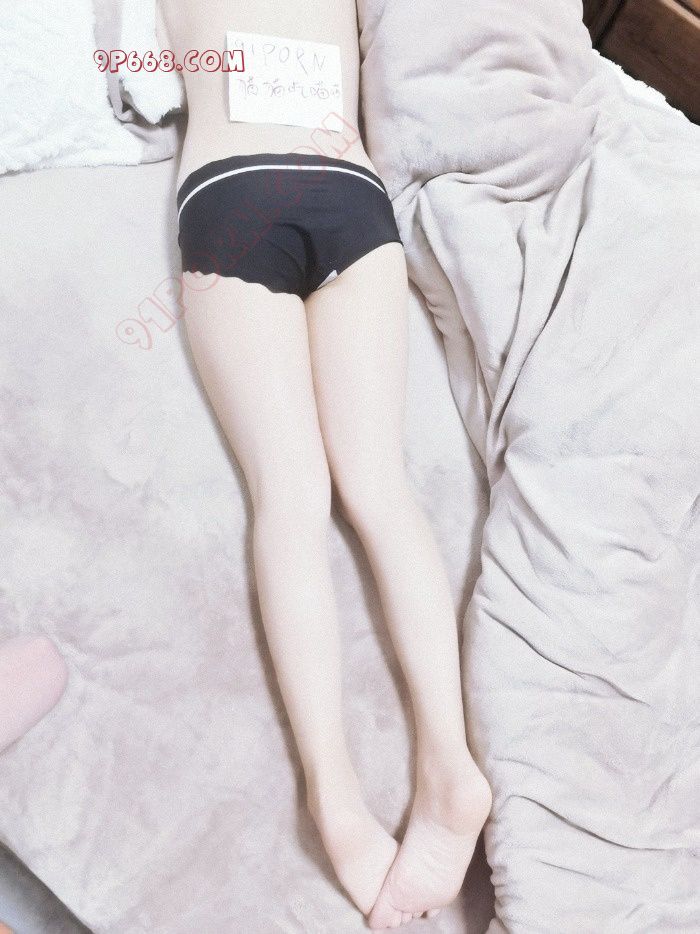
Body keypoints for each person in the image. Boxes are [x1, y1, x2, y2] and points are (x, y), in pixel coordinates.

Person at [157, 1, 492, 927]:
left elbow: (138, 85)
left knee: (291, 498)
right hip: (351, 191)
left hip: (236, 186)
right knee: (380, 488)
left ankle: (336, 803)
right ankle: (450, 764)